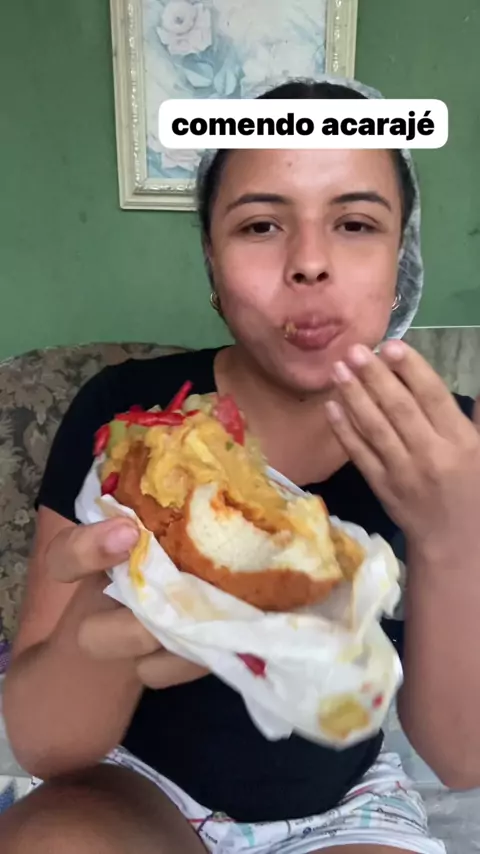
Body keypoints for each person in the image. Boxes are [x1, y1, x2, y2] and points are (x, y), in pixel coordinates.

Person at [1, 76, 480, 854]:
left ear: (402, 256)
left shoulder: (450, 446)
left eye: (356, 223)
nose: (309, 263)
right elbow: (44, 748)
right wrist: (103, 624)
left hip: (346, 805)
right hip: (139, 789)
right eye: (260, 225)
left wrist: (454, 541)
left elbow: (461, 757)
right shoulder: (128, 418)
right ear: (212, 262)